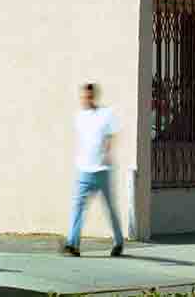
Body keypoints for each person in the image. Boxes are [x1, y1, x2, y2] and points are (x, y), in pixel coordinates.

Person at [64, 83, 122, 258]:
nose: (85, 100)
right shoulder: (79, 117)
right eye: (83, 97)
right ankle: (73, 244)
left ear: (94, 97)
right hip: (84, 170)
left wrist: (106, 151)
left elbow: (111, 135)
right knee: (78, 207)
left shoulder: (106, 114)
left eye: (88, 97)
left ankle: (118, 241)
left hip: (102, 170)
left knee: (109, 208)